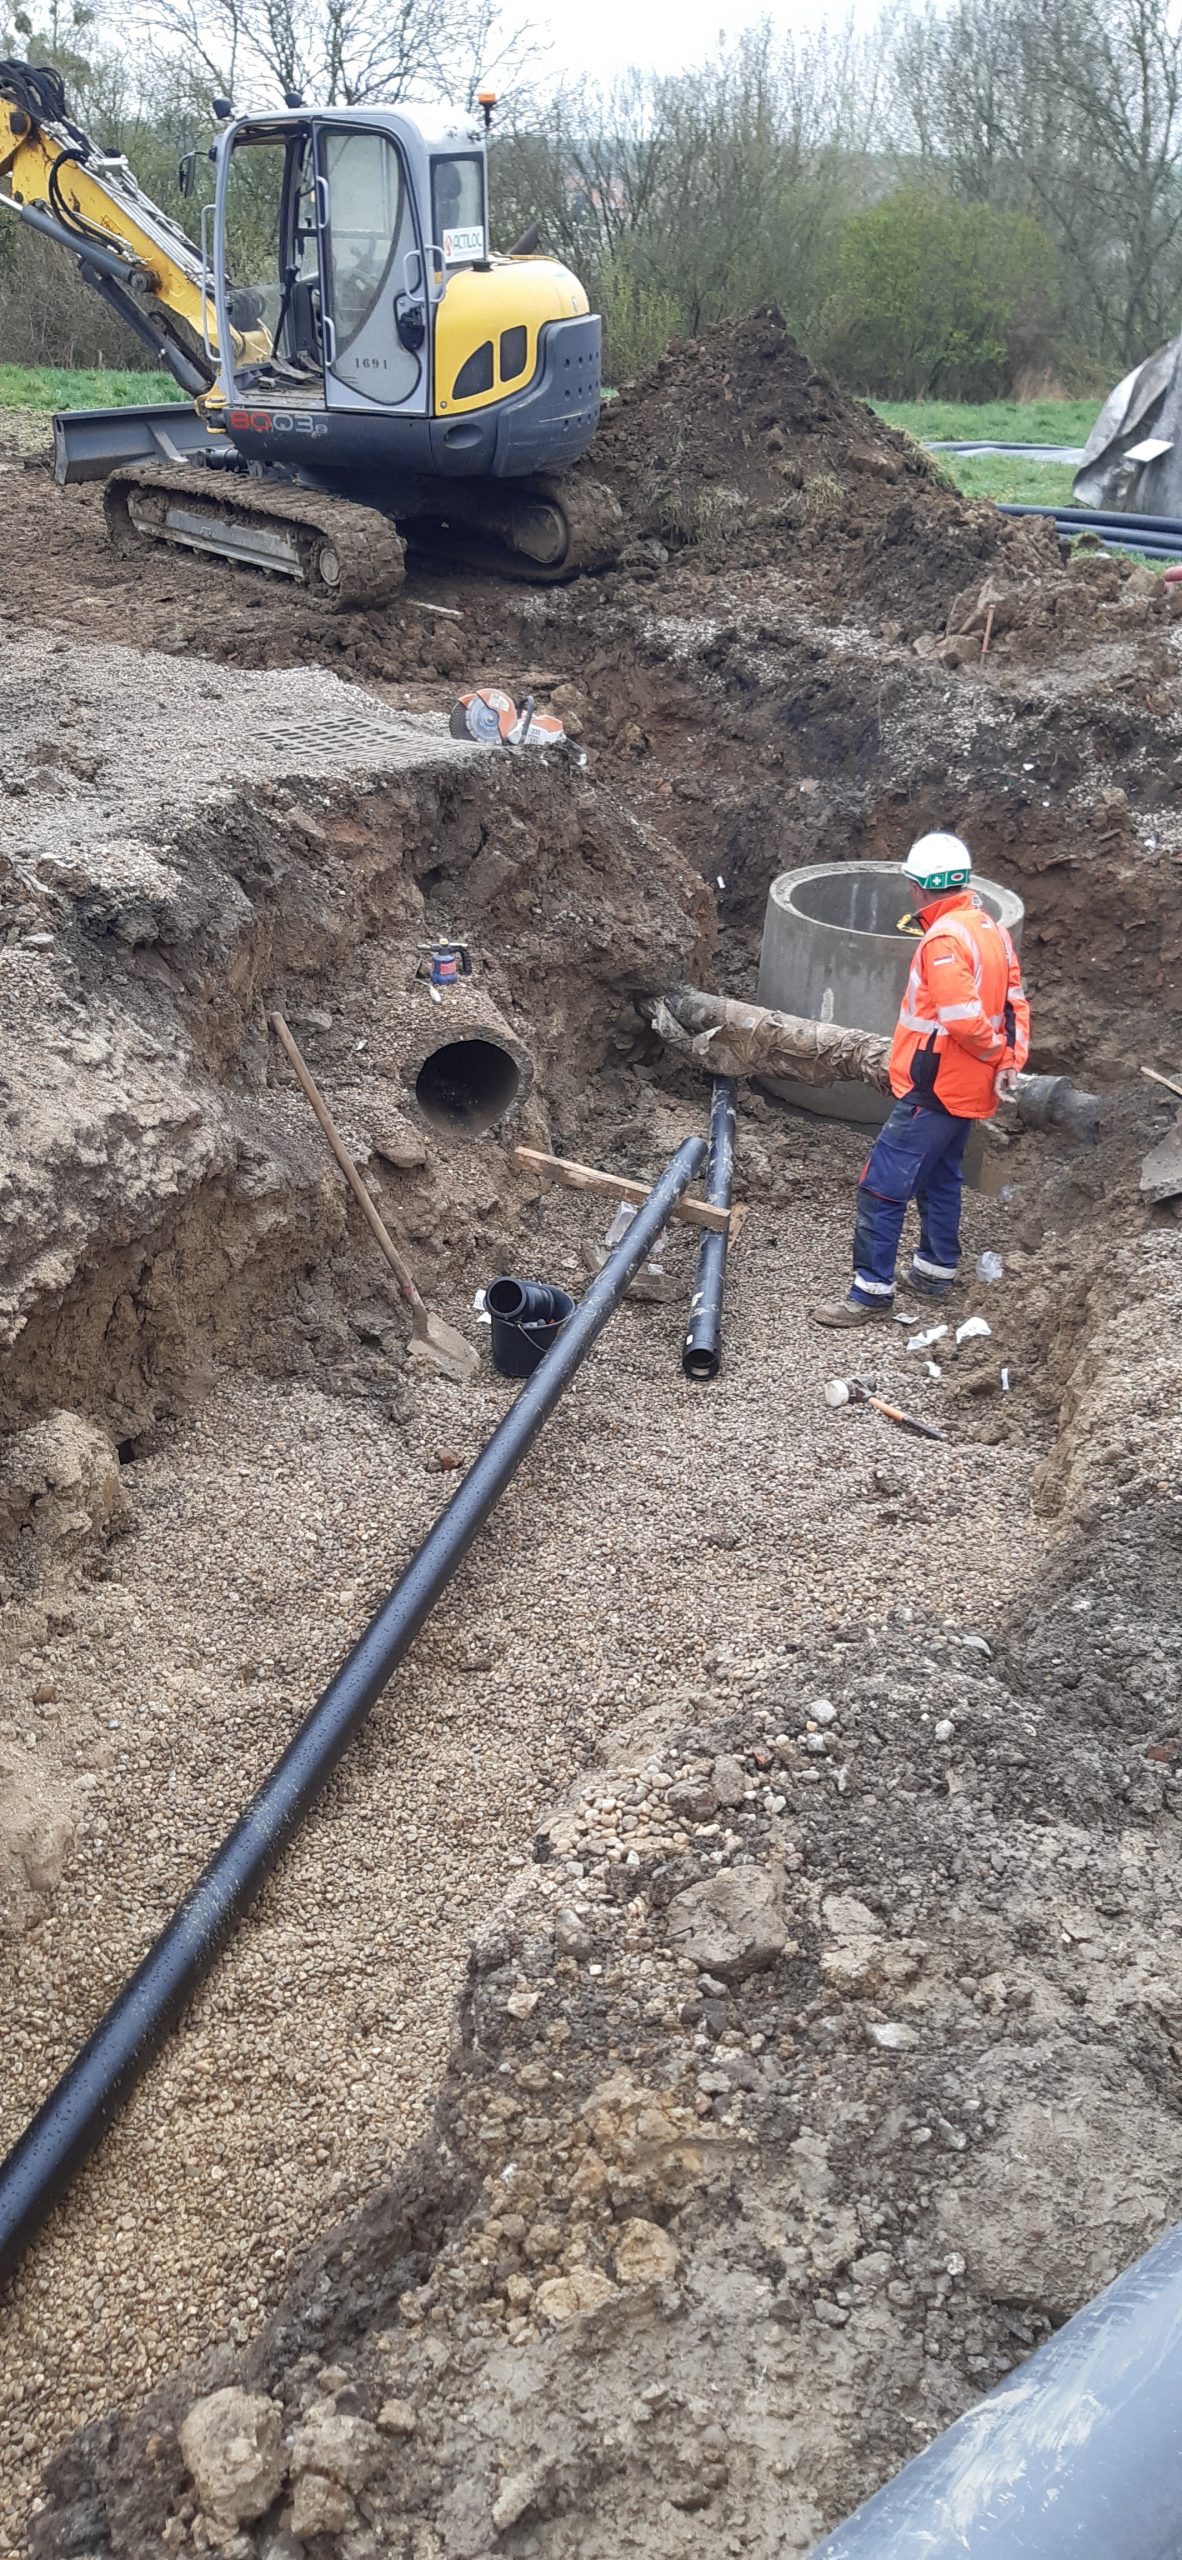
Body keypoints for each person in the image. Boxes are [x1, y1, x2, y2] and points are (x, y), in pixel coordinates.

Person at [814, 833, 1030, 1328]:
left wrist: (997, 1056)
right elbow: (1014, 1003)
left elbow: (961, 1019)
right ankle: (934, 1272)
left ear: (919, 887)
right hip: (966, 1086)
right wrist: (1010, 1061)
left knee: (882, 1187)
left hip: (935, 1086)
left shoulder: (944, 940)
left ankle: (870, 1292)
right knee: (940, 1177)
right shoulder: (989, 930)